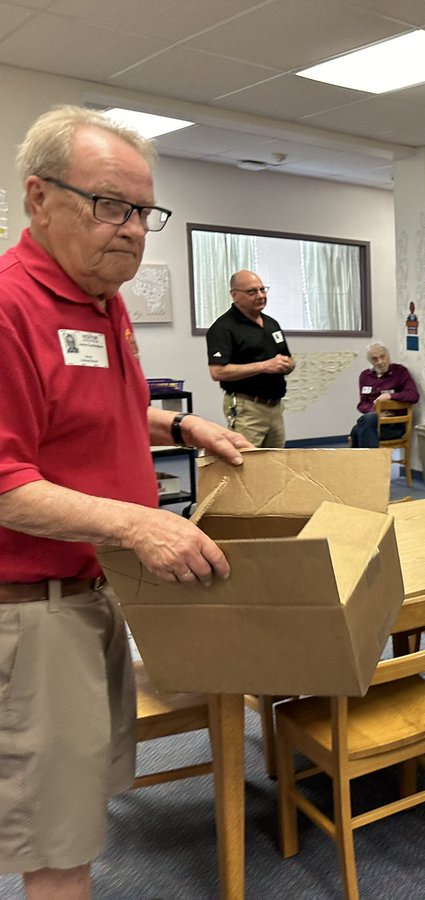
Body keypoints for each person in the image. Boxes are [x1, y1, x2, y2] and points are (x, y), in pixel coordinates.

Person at [0, 105, 254, 900]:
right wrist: (140, 522)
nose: (134, 230)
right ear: (39, 198)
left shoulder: (101, 301)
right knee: (59, 847)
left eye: (144, 211)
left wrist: (179, 422)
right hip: (35, 607)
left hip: (94, 589)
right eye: (111, 205)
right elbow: (5, 482)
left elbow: (91, 406)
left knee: (82, 803)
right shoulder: (11, 309)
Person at [206, 269, 294, 448]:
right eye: (252, 292)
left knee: (276, 464)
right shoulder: (223, 328)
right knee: (248, 464)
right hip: (247, 408)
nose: (260, 296)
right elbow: (218, 372)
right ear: (234, 295)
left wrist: (288, 365)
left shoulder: (271, 324)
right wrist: (264, 366)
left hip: (275, 407)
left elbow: (288, 358)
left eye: (263, 289)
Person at [349, 342, 419, 448]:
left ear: (388, 356)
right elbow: (362, 404)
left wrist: (389, 396)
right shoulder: (365, 376)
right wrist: (376, 413)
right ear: (370, 361)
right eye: (375, 359)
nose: (380, 362)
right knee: (367, 422)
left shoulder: (400, 372)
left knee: (358, 429)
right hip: (373, 424)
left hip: (393, 426)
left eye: (382, 357)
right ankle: (373, 463)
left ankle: (364, 463)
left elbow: (413, 395)